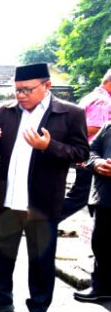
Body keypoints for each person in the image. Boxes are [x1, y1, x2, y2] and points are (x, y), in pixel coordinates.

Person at [0, 63, 89, 312]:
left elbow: (81, 153)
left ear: (46, 86)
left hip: (42, 200)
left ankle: (38, 309)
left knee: (41, 257)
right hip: (8, 196)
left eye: (27, 90)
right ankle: (1, 298)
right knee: (3, 253)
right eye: (17, 90)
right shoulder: (7, 111)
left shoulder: (69, 114)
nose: (21, 96)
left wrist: (49, 146)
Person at [59, 69, 111, 221]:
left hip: (86, 155)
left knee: (80, 195)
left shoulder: (93, 96)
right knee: (80, 197)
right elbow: (93, 126)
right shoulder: (103, 101)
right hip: (92, 158)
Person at [74, 121, 111, 302]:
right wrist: (98, 163)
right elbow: (90, 150)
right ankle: (102, 287)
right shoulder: (109, 126)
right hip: (106, 197)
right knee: (101, 243)